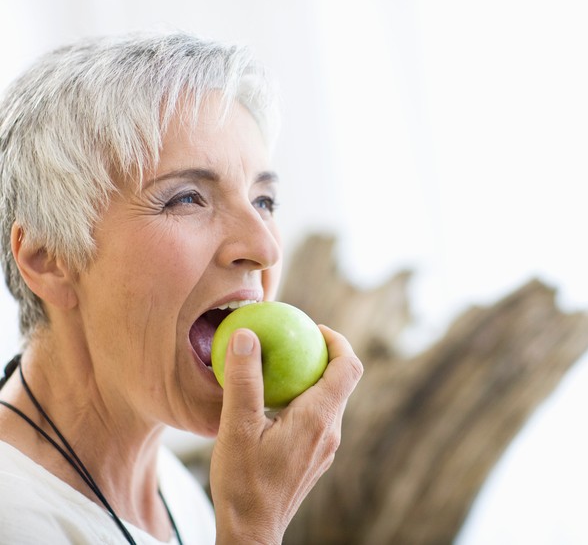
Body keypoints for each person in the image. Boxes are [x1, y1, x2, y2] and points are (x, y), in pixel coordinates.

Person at [0, 32, 363, 544]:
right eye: (187, 198)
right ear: (49, 257)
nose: (264, 247)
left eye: (263, 201)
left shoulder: (176, 492)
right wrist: (252, 528)